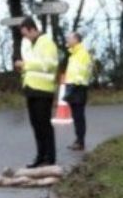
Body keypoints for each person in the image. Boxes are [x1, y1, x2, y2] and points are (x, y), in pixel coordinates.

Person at [14, 18, 58, 168]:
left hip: (43, 90)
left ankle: (50, 157)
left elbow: (50, 65)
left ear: (32, 29)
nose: (25, 37)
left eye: (26, 34)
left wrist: (25, 65)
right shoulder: (29, 44)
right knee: (36, 124)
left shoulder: (47, 42)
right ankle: (40, 156)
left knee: (44, 124)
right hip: (31, 88)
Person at [64, 32, 92, 151]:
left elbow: (85, 72)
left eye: (69, 38)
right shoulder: (73, 55)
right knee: (76, 116)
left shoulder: (82, 53)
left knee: (79, 116)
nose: (67, 40)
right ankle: (78, 139)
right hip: (73, 87)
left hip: (78, 88)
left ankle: (80, 142)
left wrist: (74, 86)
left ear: (76, 39)